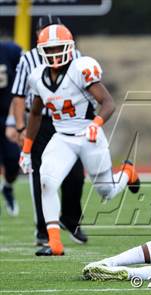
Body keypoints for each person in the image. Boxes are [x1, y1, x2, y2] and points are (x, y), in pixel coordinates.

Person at [19, 24, 140, 256]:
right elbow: (35, 113)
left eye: (59, 49)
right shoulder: (37, 77)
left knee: (107, 191)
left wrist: (96, 125)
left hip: (88, 134)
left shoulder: (81, 69)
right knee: (47, 181)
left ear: (70, 48)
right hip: (62, 137)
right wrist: (26, 150)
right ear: (41, 51)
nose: (55, 54)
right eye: (50, 50)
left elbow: (108, 103)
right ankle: (54, 243)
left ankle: (128, 172)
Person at [7, 16, 86, 246]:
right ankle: (43, 229)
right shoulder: (28, 60)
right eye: (45, 32)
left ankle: (70, 219)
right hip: (39, 122)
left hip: (70, 121)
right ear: (38, 35)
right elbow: (20, 96)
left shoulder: (78, 58)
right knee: (41, 176)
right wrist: (20, 127)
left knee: (76, 175)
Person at [0, 40, 22, 216]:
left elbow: (23, 80)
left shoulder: (10, 51)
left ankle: (7, 187)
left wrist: (14, 120)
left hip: (8, 116)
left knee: (14, 161)